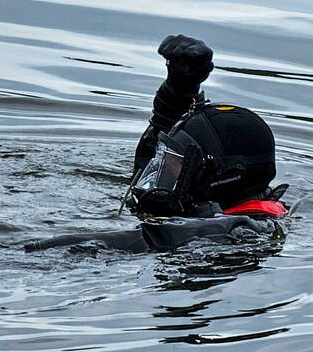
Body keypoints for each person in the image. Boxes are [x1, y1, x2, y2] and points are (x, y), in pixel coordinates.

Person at [26, 34, 288, 253]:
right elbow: (157, 168)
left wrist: (33, 248)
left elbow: (153, 238)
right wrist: (179, 92)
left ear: (218, 178)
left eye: (175, 162)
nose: (163, 168)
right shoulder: (208, 201)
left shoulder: (244, 232)